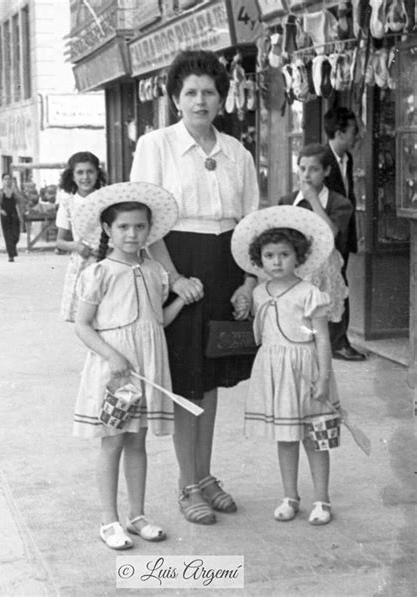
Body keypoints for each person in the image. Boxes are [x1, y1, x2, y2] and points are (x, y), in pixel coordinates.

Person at [130, 49, 260, 525]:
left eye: (209, 92)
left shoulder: (237, 152)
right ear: (174, 99)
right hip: (178, 269)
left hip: (225, 269)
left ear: (222, 99)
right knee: (187, 382)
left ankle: (205, 475)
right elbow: (146, 220)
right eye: (191, 92)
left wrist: (248, 283)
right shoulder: (155, 145)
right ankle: (187, 484)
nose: (200, 100)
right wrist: (174, 279)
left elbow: (249, 227)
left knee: (212, 380)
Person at [71, 181, 191, 550]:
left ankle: (137, 516)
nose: (132, 233)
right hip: (115, 370)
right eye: (123, 227)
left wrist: (182, 300)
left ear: (148, 230)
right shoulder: (100, 272)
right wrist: (112, 356)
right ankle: (109, 520)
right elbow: (82, 325)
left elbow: (158, 321)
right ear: (108, 230)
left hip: (148, 365)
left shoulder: (156, 270)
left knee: (138, 441)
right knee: (113, 442)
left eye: (139, 226)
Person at [231, 205, 340, 526]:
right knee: (286, 436)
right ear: (259, 259)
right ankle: (290, 496)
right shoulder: (260, 293)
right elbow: (259, 329)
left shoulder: (310, 293)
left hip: (307, 369)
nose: (276, 261)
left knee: (315, 436)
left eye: (284, 254)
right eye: (269, 255)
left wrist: (323, 377)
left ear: (299, 257)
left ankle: (322, 499)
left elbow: (321, 339)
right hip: (275, 369)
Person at [279, 143, 353, 322]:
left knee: (324, 330)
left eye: (314, 169)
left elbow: (330, 233)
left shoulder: (339, 202)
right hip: (294, 273)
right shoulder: (288, 200)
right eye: (302, 169)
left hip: (325, 276)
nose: (306, 175)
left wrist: (313, 199)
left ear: (326, 171)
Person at [323, 107, 366, 361]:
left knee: (340, 286)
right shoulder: (322, 159)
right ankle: (337, 342)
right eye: (353, 131)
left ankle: (339, 340)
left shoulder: (346, 160)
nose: (357, 136)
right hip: (328, 235)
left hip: (344, 234)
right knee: (335, 287)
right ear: (339, 133)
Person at [56, 151, 107, 322]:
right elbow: (60, 241)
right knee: (84, 318)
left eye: (90, 171)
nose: (85, 177)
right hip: (82, 264)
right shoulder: (68, 204)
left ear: (97, 173)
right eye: (80, 172)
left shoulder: (107, 200)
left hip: (108, 260)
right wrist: (76, 246)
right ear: (72, 176)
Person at [0, 173, 24, 262]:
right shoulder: (0, 192)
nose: (7, 181)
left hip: (14, 214)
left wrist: (21, 213)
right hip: (5, 215)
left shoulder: (14, 192)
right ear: (2, 181)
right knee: (8, 236)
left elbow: (20, 201)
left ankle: (11, 248)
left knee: (16, 235)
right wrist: (0, 210)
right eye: (5, 179)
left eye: (9, 179)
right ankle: (11, 255)